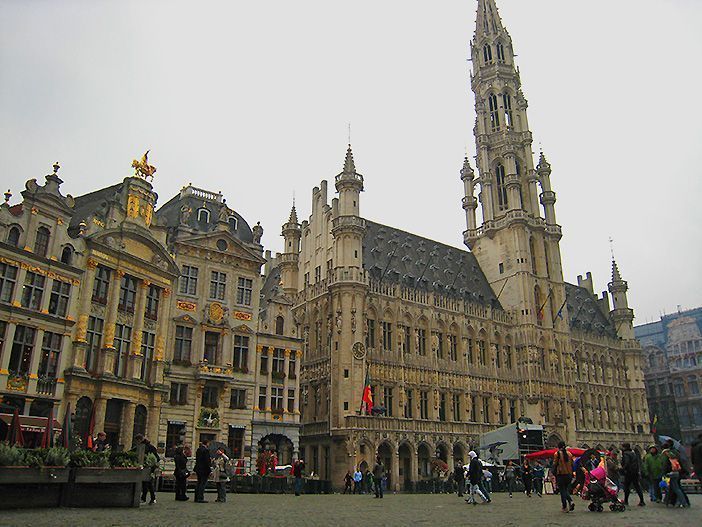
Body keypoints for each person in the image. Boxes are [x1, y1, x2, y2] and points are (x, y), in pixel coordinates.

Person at [132, 434, 159, 505]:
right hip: (149, 467)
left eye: (137, 441)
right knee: (147, 483)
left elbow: (156, 458)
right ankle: (148, 498)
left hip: (148, 467)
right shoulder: (150, 446)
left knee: (147, 483)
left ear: (139, 440)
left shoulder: (144, 447)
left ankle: (148, 498)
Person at [620, 442, 645, 507]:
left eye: (622, 447)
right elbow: (637, 463)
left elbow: (627, 462)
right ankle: (642, 501)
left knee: (627, 487)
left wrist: (623, 468)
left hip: (629, 472)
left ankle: (626, 501)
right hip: (635, 472)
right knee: (637, 486)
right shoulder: (633, 453)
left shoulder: (626, 454)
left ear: (625, 447)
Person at [553, 441, 575, 513]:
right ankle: (569, 503)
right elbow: (572, 464)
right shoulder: (569, 454)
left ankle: (566, 505)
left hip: (561, 474)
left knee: (562, 491)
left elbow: (554, 464)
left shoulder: (557, 454)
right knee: (565, 490)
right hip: (569, 474)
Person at [193, 438, 212, 503]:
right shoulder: (206, 450)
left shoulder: (198, 449)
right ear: (206, 443)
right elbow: (206, 461)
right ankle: (200, 498)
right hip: (204, 469)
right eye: (209, 443)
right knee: (202, 484)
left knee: (198, 483)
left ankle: (196, 497)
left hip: (198, 468)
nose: (209, 444)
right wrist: (209, 468)